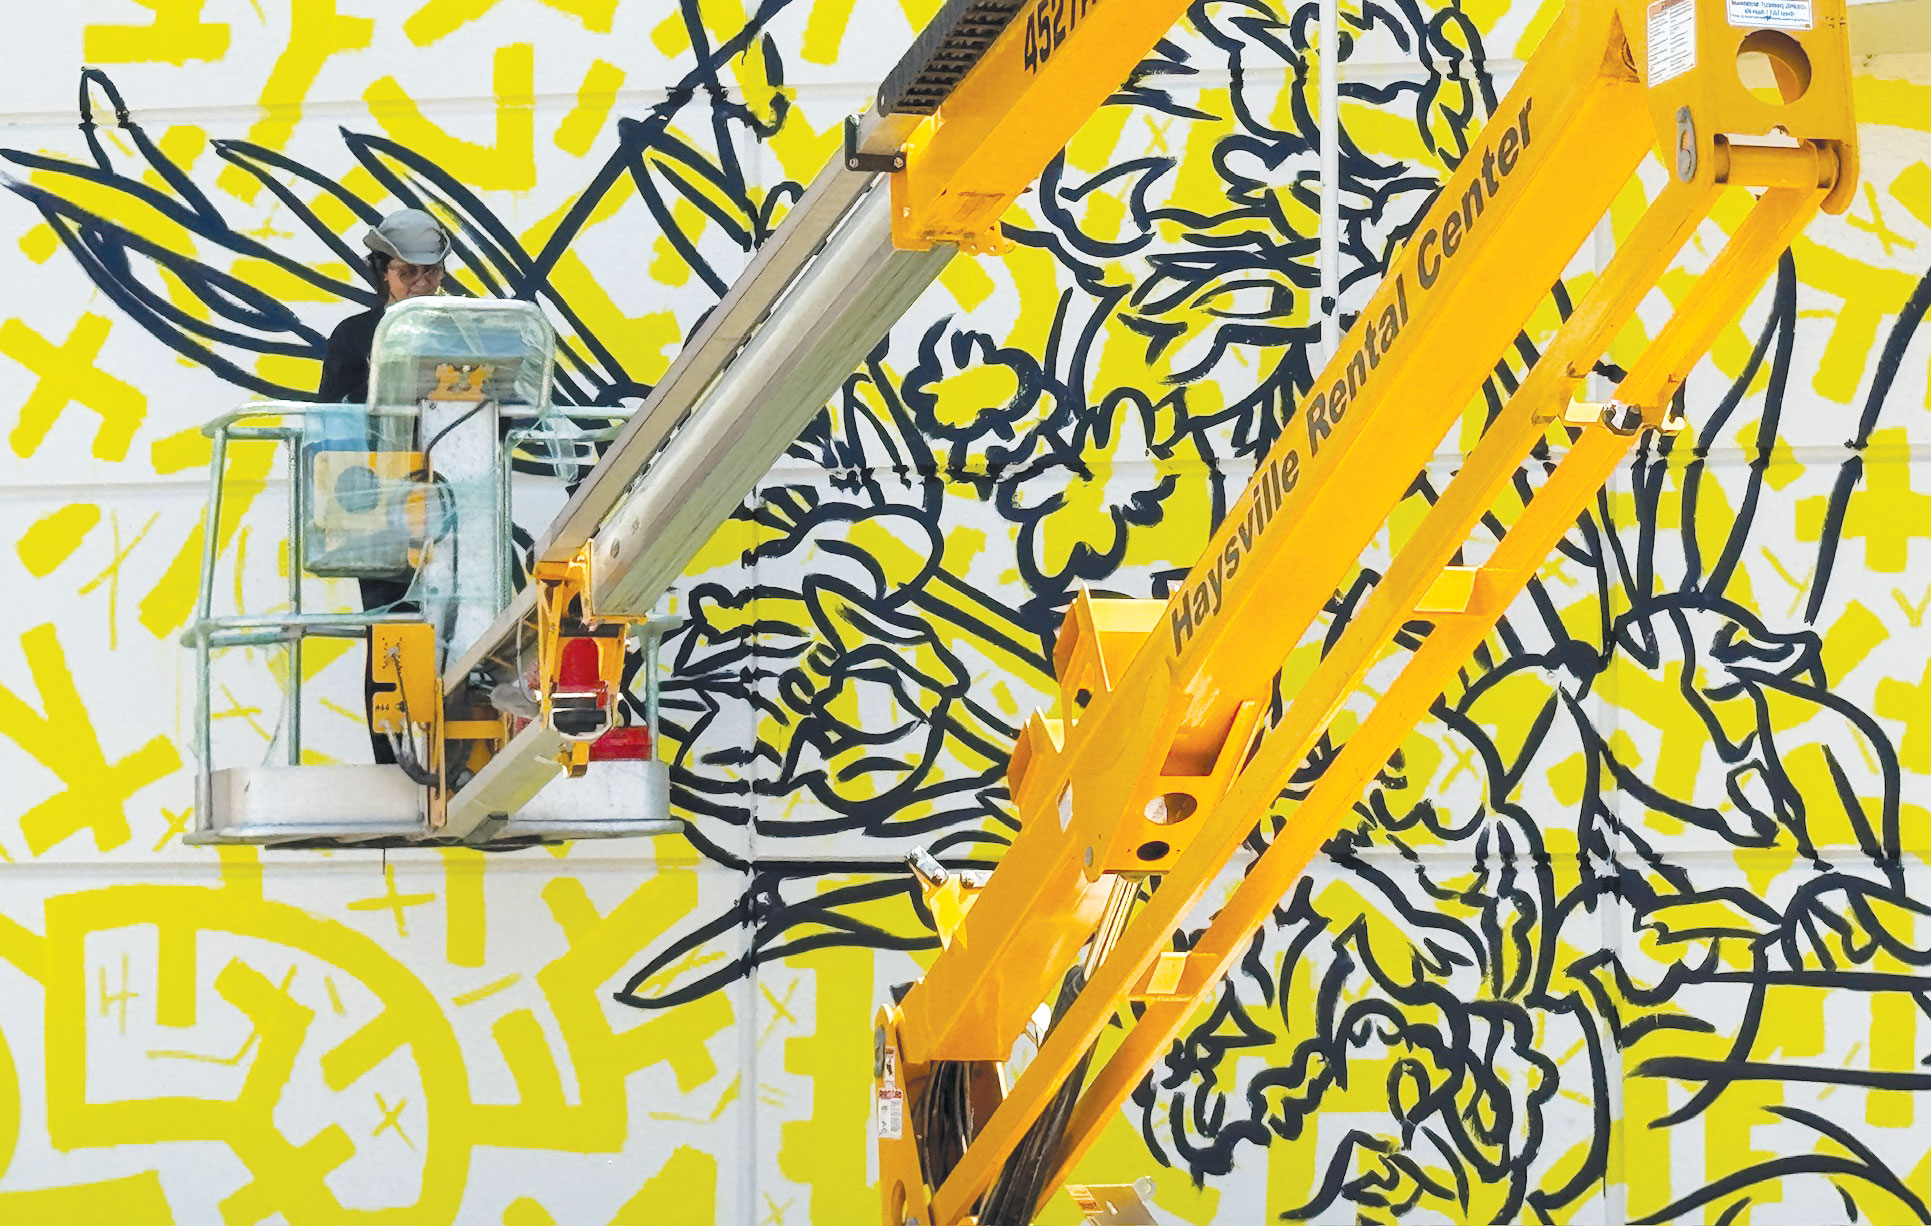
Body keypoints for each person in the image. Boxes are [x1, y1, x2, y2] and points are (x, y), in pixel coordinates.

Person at [318, 209, 452, 767]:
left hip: (448, 501)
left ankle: (453, 756)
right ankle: (392, 761)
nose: (421, 285)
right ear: (383, 275)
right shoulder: (354, 336)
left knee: (456, 630)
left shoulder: (463, 328)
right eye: (407, 274)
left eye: (431, 274)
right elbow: (329, 423)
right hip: (379, 508)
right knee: (391, 635)